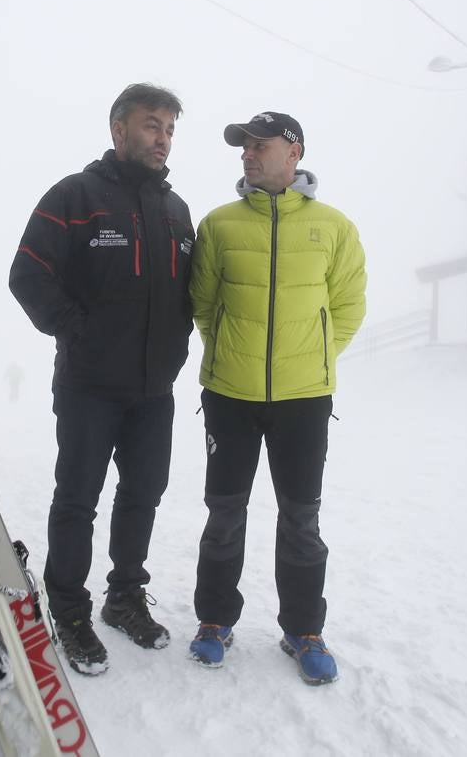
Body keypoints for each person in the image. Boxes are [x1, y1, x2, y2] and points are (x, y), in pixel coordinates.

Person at [8, 83, 195, 675]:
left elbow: (190, 291)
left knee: (143, 496)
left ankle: (123, 599)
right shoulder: (75, 196)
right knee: (77, 501)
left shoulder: (176, 211)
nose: (161, 138)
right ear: (118, 130)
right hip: (89, 386)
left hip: (153, 391)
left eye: (168, 128)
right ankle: (67, 607)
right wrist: (76, 330)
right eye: (150, 125)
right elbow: (27, 274)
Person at [186, 110, 366, 685]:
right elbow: (203, 306)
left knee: (302, 520)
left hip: (303, 400)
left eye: (259, 145)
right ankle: (214, 621)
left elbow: (347, 307)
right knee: (224, 515)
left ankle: (304, 629)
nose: (247, 154)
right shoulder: (218, 224)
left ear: (294, 152)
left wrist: (310, 358)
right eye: (243, 147)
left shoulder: (333, 227)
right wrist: (234, 354)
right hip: (230, 397)